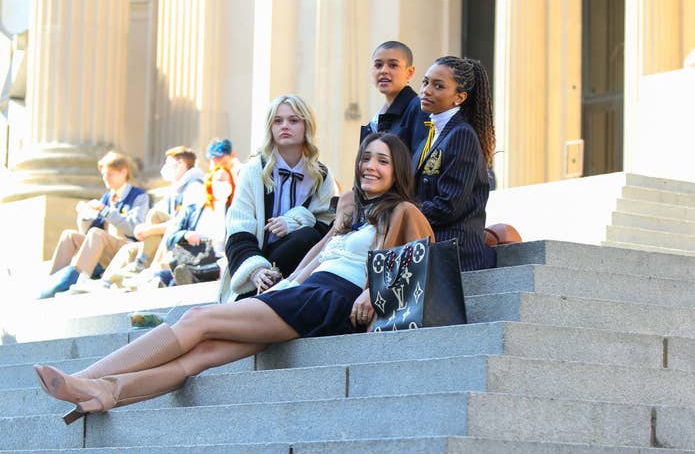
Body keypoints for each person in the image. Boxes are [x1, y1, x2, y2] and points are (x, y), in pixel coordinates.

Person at [33, 133, 434, 425]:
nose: (370, 166)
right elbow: (318, 254)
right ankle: (106, 393)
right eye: (366, 158)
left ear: (397, 169)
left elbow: (418, 260)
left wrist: (368, 291)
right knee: (199, 356)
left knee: (198, 320)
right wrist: (287, 282)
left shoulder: (403, 212)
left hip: (331, 300)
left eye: (382, 161)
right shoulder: (353, 210)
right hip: (304, 292)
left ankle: (82, 379)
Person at [219, 95, 337, 303]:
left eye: (293, 120)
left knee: (307, 236)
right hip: (257, 264)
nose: (285, 126)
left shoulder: (321, 175)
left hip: (301, 265)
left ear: (306, 126)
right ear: (270, 127)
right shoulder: (253, 170)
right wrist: (256, 270)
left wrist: (294, 221)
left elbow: (327, 228)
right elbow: (239, 229)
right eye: (278, 120)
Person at [414, 56, 496, 271]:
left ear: (459, 97)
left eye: (438, 86)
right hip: (425, 244)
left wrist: (407, 215)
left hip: (454, 253)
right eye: (425, 82)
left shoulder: (462, 136)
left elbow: (449, 205)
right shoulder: (429, 137)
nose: (426, 90)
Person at [38, 152, 149, 298]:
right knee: (69, 235)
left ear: (123, 172)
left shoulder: (139, 196)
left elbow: (134, 227)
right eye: (104, 174)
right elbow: (86, 232)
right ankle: (53, 282)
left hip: (126, 248)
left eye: (110, 174)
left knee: (97, 234)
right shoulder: (107, 197)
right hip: (104, 248)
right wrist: (85, 216)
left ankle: (79, 281)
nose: (105, 179)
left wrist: (105, 210)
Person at [93, 146, 206, 288]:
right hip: (163, 241)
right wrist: (144, 228)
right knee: (128, 249)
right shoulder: (176, 188)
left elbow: (182, 223)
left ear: (181, 164)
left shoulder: (194, 187)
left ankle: (147, 267)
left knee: (154, 216)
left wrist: (150, 230)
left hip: (184, 241)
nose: (165, 168)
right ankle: (106, 283)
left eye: (168, 164)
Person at [152, 164, 235, 287]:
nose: (222, 184)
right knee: (162, 276)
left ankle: (188, 276)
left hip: (219, 264)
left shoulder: (235, 212)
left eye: (225, 180)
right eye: (219, 180)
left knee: (177, 279)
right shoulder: (192, 210)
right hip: (190, 259)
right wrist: (186, 234)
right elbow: (170, 240)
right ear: (210, 183)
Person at [360, 41, 429, 154]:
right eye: (378, 65)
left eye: (393, 65)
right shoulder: (377, 119)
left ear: (410, 72)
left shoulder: (419, 110)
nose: (384, 71)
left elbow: (419, 163)